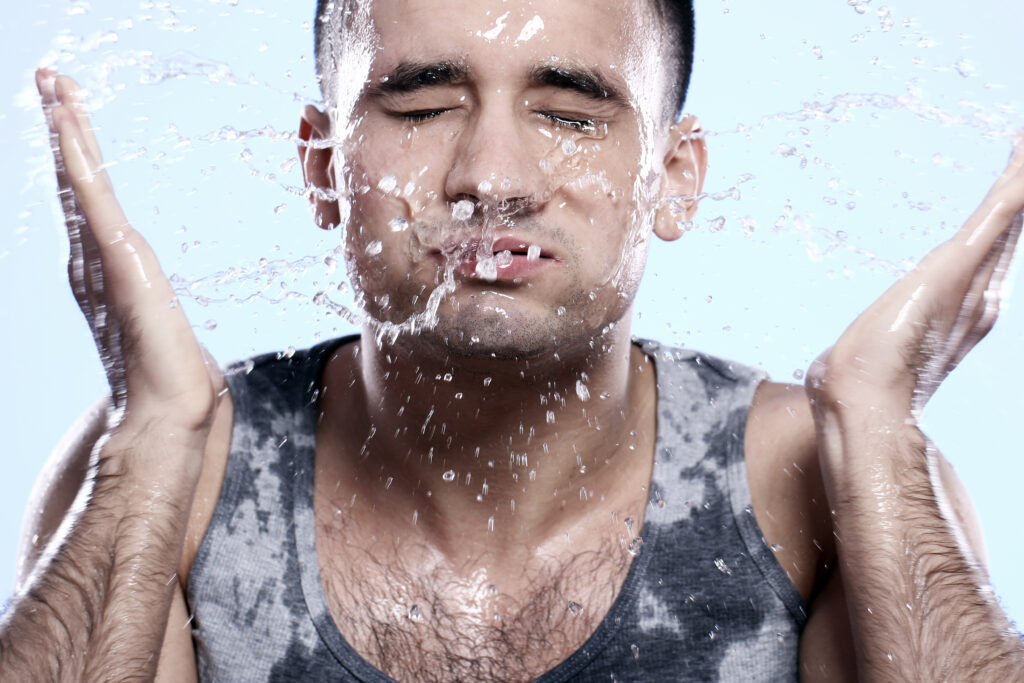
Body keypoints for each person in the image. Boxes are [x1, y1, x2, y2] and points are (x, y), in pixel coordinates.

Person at [2, 0, 1023, 680]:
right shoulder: (179, 467)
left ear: (674, 174)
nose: (492, 174)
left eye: (569, 113)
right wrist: (149, 438)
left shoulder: (816, 474)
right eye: (423, 103)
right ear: (323, 169)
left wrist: (880, 432)